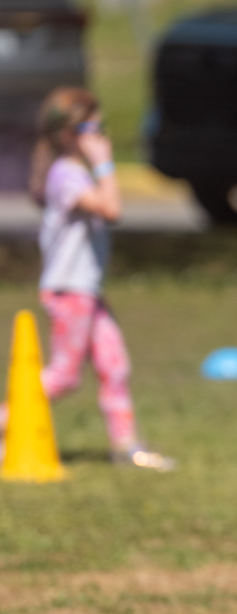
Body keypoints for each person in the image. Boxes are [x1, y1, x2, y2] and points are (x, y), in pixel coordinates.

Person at [0, 87, 174, 471]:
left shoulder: (76, 173)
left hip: (87, 291)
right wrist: (106, 163)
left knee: (115, 368)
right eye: (93, 128)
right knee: (63, 377)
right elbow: (112, 210)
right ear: (68, 134)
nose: (101, 136)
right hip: (69, 292)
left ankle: (126, 447)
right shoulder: (67, 176)